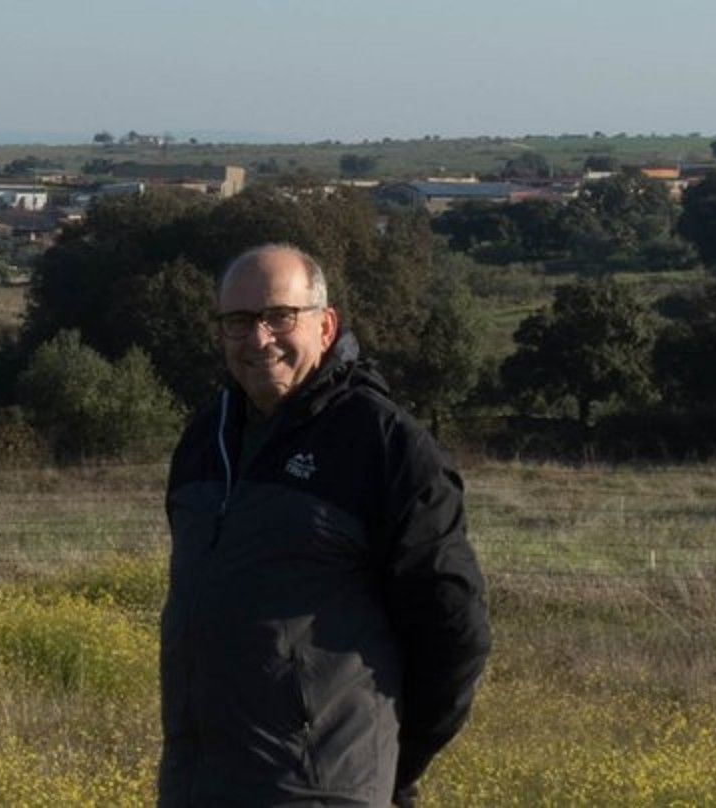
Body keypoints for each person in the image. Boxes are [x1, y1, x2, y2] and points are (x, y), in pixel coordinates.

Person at [158, 243, 490, 807]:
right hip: (197, 787)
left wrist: (381, 763)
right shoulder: (204, 438)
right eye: (238, 321)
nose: (258, 339)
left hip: (320, 791)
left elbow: (454, 633)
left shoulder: (384, 445)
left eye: (278, 317)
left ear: (325, 324)